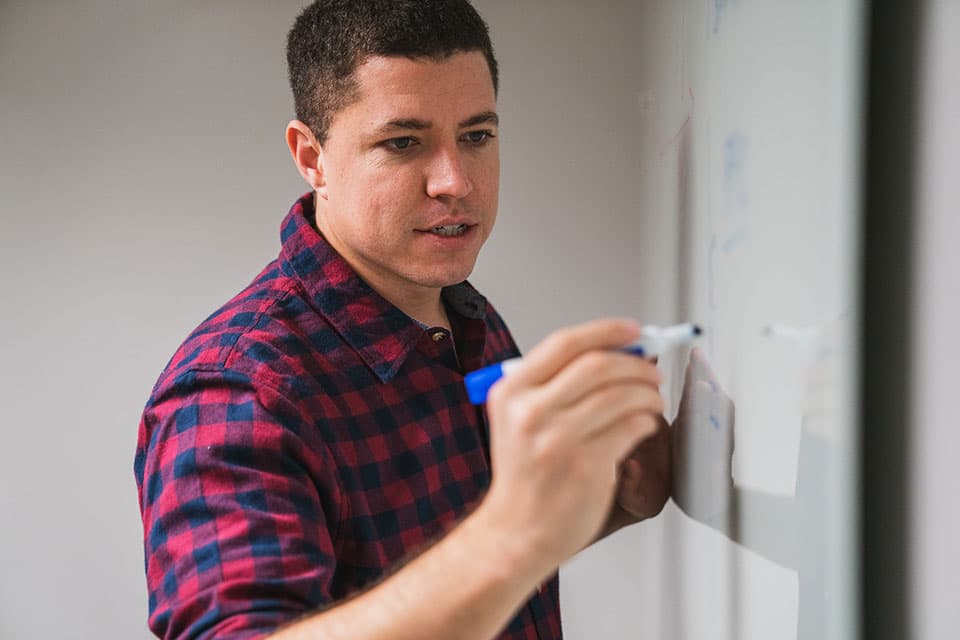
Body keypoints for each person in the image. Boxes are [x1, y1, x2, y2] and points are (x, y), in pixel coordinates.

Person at [135, 1, 671, 638]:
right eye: (403, 142)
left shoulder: (464, 314)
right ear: (312, 158)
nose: (455, 182)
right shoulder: (236, 393)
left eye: (476, 135)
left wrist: (612, 498)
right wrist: (514, 534)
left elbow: (452, 568)